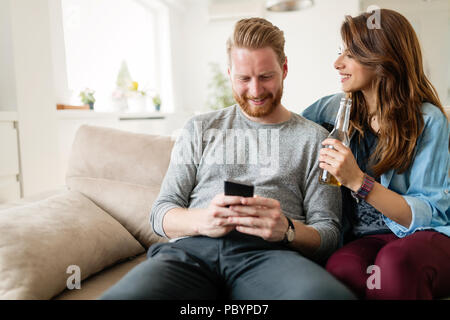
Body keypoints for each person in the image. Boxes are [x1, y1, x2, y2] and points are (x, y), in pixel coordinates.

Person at [100, 18, 355, 300]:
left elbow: (329, 233)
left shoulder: (315, 139)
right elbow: (161, 213)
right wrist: (202, 221)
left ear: (284, 69)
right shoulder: (199, 129)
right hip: (192, 253)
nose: (255, 91)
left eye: (266, 77)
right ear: (230, 74)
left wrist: (288, 230)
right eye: (244, 79)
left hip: (270, 257)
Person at [302, 9, 450, 300]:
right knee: (342, 269)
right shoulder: (332, 110)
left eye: (350, 55)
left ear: (382, 59)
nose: (337, 63)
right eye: (339, 52)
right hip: (366, 238)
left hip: (427, 237)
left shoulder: (428, 120)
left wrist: (359, 181)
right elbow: (287, 129)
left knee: (394, 264)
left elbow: (430, 214)